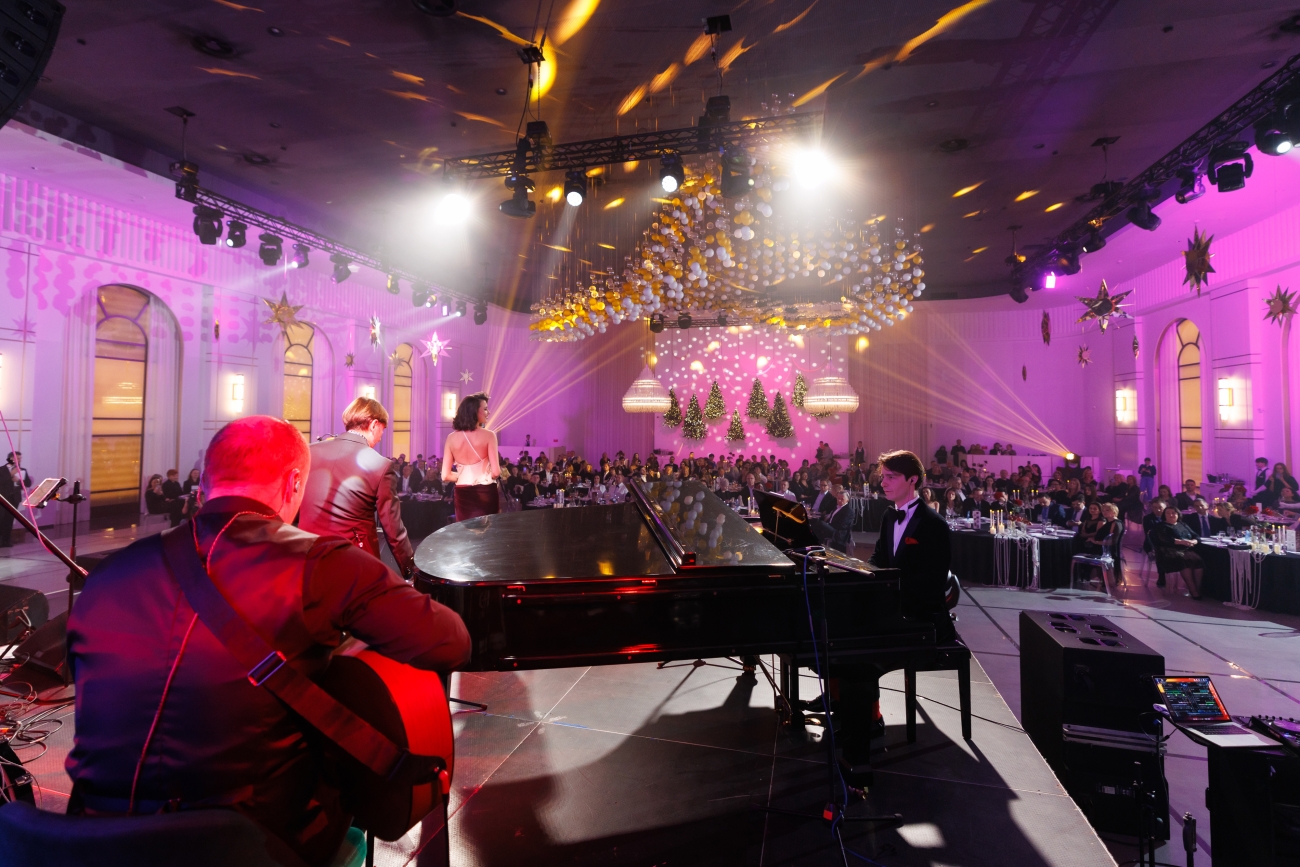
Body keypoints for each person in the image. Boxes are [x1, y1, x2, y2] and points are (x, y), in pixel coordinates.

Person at [65, 416, 471, 867]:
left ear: (205, 483)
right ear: (295, 482)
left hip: (91, 842)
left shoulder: (107, 575)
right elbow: (450, 641)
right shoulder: (320, 563)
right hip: (249, 846)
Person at [833, 450, 953, 786]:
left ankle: (858, 759)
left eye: (891, 477)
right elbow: (879, 558)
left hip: (922, 620)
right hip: (894, 611)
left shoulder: (934, 525)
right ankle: (861, 723)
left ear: (912, 480)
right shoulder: (889, 516)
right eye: (882, 477)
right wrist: (856, 571)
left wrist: (887, 598)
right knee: (843, 644)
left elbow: (930, 586)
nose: (882, 483)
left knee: (858, 661)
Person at [298, 397, 415, 578]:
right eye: (383, 429)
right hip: (354, 562)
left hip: (308, 556)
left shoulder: (309, 451)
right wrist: (409, 570)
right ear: (374, 425)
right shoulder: (380, 465)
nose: (381, 436)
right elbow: (393, 529)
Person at [442, 392, 501, 521]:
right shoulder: (489, 435)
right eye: (485, 409)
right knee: (487, 530)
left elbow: (445, 475)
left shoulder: (451, 438)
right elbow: (496, 472)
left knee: (465, 530)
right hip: (485, 491)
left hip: (462, 493)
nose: (488, 412)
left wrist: (463, 475)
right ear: (474, 412)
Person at [1151, 504, 1204, 598]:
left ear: (1178, 514)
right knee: (1184, 562)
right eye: (1168, 513)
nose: (1171, 515)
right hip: (1168, 551)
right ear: (1164, 515)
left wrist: (1193, 541)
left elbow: (1196, 536)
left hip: (1185, 550)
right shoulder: (1161, 526)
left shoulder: (1183, 524)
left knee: (1199, 562)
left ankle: (1198, 589)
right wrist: (1182, 542)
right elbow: (1165, 539)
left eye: (1173, 513)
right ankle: (1194, 592)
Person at [813, 484, 860, 553]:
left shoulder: (848, 511)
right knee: (815, 525)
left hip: (838, 533)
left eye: (842, 499)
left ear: (847, 500)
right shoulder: (836, 507)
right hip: (832, 528)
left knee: (820, 523)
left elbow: (842, 525)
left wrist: (828, 525)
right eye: (838, 498)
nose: (839, 500)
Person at [0, 451, 31, 546]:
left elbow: (28, 483)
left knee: (10, 520)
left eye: (20, 458)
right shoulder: (2, 469)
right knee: (1, 519)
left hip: (15, 498)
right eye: (17, 458)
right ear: (10, 458)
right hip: (3, 498)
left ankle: (6, 541)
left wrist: (19, 481)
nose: (19, 460)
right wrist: (11, 474)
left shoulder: (22, 470)